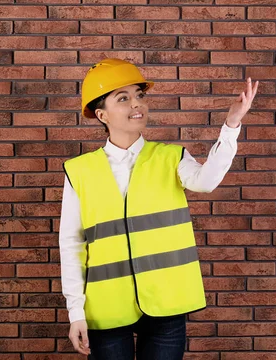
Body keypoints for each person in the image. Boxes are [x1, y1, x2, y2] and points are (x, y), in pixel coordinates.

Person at [59, 58, 259, 360]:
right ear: (102, 114)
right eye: (123, 98)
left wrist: (230, 126)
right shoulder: (79, 171)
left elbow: (206, 181)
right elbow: (72, 244)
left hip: (167, 303)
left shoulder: (171, 157)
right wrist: (76, 311)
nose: (136, 104)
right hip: (107, 307)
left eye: (140, 95)